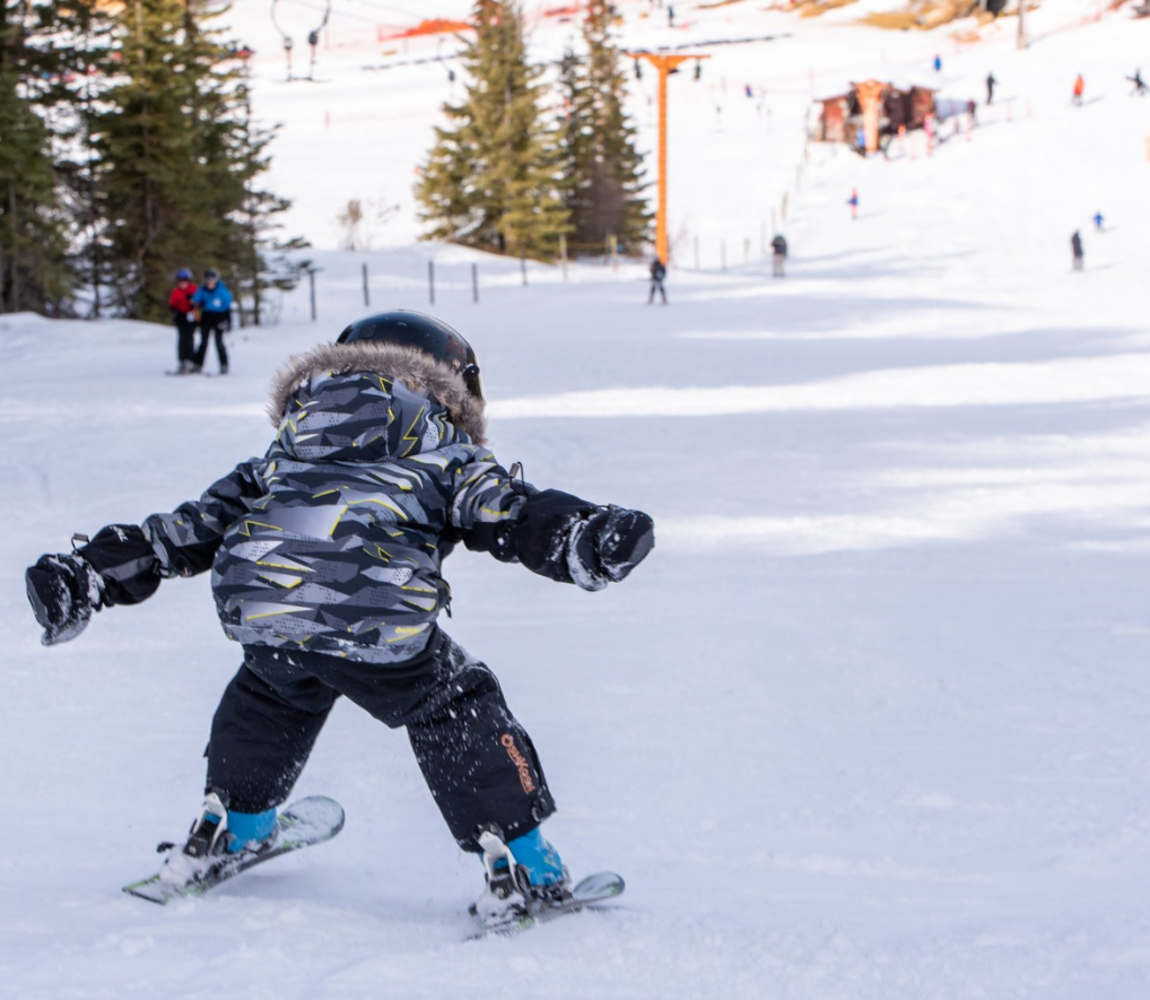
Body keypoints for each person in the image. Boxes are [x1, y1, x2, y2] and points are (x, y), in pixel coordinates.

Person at [23, 310, 656, 928]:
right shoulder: (443, 452)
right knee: (454, 705)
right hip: (374, 612)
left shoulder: (286, 450)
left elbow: (180, 533)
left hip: (265, 607)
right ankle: (524, 866)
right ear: (453, 386)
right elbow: (511, 513)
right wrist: (584, 535)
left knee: (272, 694)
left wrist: (89, 574)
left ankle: (228, 825)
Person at [190, 267, 233, 375]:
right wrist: (195, 303)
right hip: (206, 317)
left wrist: (228, 321)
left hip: (219, 317)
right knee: (203, 342)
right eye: (208, 280)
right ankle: (197, 364)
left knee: (219, 342)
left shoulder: (222, 291)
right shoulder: (202, 289)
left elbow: (227, 307)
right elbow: (195, 300)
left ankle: (224, 365)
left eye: (212, 280)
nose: (210, 283)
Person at [167, 269, 198, 375]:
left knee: (190, 339)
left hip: (191, 316)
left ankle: (191, 360)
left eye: (185, 281)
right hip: (181, 317)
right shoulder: (175, 292)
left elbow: (199, 301)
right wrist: (174, 309)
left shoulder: (194, 289)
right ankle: (182, 361)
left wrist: (193, 303)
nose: (183, 284)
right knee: (182, 339)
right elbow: (172, 303)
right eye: (181, 281)